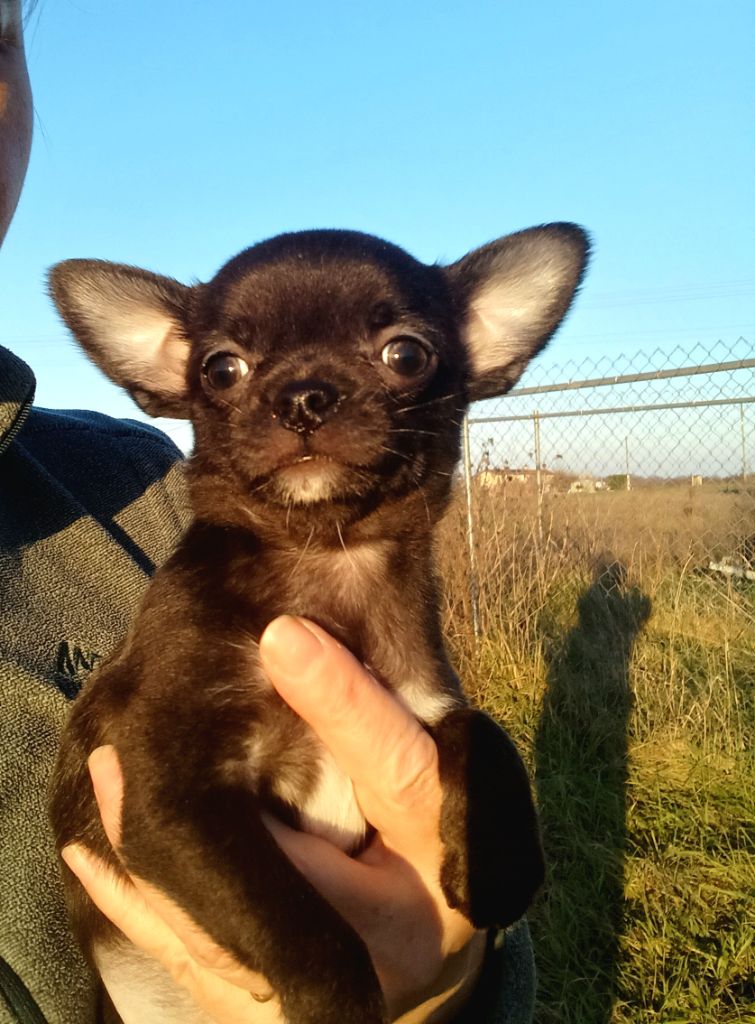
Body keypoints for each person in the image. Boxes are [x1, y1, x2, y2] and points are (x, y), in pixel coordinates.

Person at [0, 3, 537, 1021]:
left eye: (399, 353)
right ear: (171, 369)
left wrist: (444, 981)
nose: (301, 399)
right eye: (230, 366)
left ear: (479, 347)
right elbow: (167, 808)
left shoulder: (132, 503)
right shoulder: (155, 560)